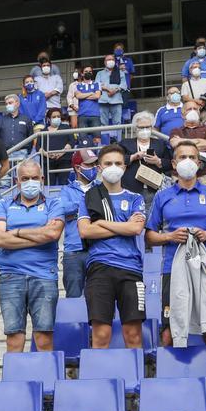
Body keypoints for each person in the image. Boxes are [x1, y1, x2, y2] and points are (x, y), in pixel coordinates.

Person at [145, 141, 206, 347]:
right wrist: (170, 237)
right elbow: (149, 237)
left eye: (192, 157)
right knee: (168, 331)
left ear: (199, 163)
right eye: (182, 157)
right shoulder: (162, 197)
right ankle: (170, 378)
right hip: (172, 271)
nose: (188, 161)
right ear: (174, 164)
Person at [78, 146, 146, 349]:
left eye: (117, 163)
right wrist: (123, 226)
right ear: (99, 167)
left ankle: (138, 379)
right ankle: (100, 382)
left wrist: (100, 224)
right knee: (101, 335)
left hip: (131, 270)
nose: (113, 167)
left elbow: (136, 229)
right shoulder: (89, 197)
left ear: (125, 168)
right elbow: (85, 232)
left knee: (133, 334)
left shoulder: (136, 198)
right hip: (99, 268)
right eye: (108, 163)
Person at [0, 160, 64, 353]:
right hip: (10, 276)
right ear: (17, 181)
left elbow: (52, 235)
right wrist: (38, 233)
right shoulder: (3, 204)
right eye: (25, 178)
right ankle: (16, 383)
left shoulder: (54, 203)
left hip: (44, 276)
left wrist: (14, 233)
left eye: (34, 178)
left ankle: (45, 382)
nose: (30, 182)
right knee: (14, 339)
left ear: (42, 179)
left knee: (44, 338)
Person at [56, 150, 99, 298]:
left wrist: (75, 212)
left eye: (94, 163)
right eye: (89, 164)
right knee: (73, 297)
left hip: (98, 249)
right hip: (73, 250)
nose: (94, 167)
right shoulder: (66, 190)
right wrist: (90, 204)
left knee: (99, 297)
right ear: (78, 168)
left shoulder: (102, 186)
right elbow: (62, 208)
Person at [119, 111, 171, 215]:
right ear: (135, 128)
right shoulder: (125, 143)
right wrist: (134, 157)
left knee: (153, 217)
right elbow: (118, 159)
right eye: (141, 127)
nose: (144, 130)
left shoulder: (160, 144)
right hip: (132, 187)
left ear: (151, 128)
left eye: (147, 127)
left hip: (154, 188)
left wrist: (158, 161)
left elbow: (169, 163)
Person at [168, 103, 206, 189]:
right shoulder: (175, 131)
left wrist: (182, 141)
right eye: (189, 109)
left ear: (199, 113)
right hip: (180, 176)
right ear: (183, 114)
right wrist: (200, 141)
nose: (192, 111)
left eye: (195, 109)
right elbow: (174, 144)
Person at [95, 54, 129, 127]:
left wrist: (114, 90)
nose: (110, 61)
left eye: (112, 60)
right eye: (108, 60)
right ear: (104, 62)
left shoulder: (120, 72)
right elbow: (97, 85)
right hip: (103, 101)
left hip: (116, 101)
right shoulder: (99, 73)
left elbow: (124, 85)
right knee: (103, 124)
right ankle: (105, 138)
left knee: (117, 123)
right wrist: (108, 89)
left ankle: (118, 138)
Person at [73, 65, 101, 130]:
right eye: (86, 71)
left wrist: (83, 96)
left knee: (97, 139)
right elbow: (78, 96)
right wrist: (91, 93)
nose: (88, 73)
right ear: (82, 74)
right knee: (83, 138)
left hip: (95, 115)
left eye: (90, 71)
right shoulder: (77, 85)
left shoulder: (97, 84)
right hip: (82, 115)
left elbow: (97, 96)